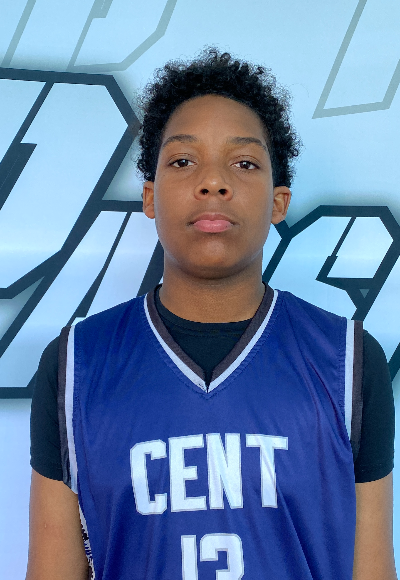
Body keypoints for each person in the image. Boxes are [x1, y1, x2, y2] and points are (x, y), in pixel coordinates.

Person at [26, 49, 397, 580]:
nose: (213, 182)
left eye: (244, 163)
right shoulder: (75, 365)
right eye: (183, 161)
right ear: (150, 197)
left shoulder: (348, 361)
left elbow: (373, 569)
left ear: (279, 202)